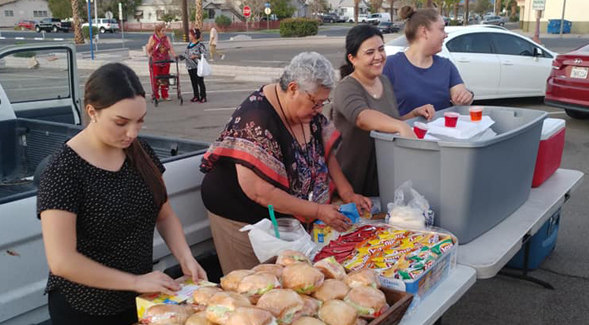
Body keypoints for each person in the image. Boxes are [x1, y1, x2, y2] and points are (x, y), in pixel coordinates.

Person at [38, 63, 207, 325]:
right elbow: (62, 261)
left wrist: (186, 258)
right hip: (86, 306)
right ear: (92, 111)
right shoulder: (63, 170)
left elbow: (164, 214)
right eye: (121, 123)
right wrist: (135, 281)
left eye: (140, 121)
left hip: (141, 296)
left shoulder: (140, 151)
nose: (132, 133)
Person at [200, 52, 371, 274]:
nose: (319, 110)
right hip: (240, 216)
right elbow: (260, 192)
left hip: (282, 213)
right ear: (292, 89)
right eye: (316, 103)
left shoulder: (306, 111)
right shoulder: (256, 118)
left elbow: (325, 154)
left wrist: (348, 194)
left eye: (323, 103)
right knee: (255, 284)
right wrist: (318, 210)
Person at [332, 24, 434, 197]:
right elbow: (362, 118)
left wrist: (413, 114)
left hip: (384, 179)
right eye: (369, 52)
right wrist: (402, 128)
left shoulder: (384, 81)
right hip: (353, 185)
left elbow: (390, 122)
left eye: (381, 49)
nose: (378, 57)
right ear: (353, 58)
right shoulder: (346, 88)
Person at [382, 6, 474, 117]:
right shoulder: (390, 66)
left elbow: (460, 94)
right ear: (424, 32)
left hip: (442, 133)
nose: (446, 35)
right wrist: (412, 116)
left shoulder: (446, 66)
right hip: (405, 134)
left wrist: (465, 97)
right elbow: (381, 118)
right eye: (441, 29)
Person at [146, 23, 178, 101]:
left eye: (165, 30)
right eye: (163, 30)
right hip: (155, 61)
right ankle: (155, 94)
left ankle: (165, 95)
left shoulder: (166, 38)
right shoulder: (153, 38)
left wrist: (175, 55)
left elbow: (170, 47)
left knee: (164, 78)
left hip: (165, 60)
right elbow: (148, 49)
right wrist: (149, 55)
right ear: (158, 31)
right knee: (155, 78)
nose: (164, 32)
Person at [185, 28, 208, 103]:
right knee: (193, 82)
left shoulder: (200, 45)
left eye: (190, 34)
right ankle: (196, 96)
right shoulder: (189, 44)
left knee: (200, 82)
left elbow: (205, 54)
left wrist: (196, 56)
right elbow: (186, 53)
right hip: (190, 66)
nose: (189, 36)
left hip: (197, 66)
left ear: (194, 35)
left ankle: (203, 96)